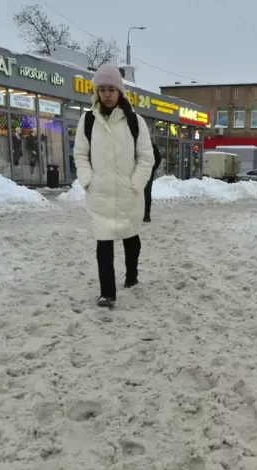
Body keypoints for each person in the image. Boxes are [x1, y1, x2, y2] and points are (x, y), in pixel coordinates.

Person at [73, 64, 155, 307]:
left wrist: (136, 184)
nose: (107, 94)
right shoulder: (87, 121)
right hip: (100, 195)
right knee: (103, 242)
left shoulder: (134, 121)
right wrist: (88, 180)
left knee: (131, 237)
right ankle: (107, 292)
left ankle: (131, 275)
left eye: (112, 89)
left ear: (120, 91)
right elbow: (80, 154)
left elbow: (145, 157)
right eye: (102, 89)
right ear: (96, 92)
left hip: (128, 194)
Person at [144, 142, 161, 223]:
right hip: (139, 173)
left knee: (146, 193)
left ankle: (146, 214)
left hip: (148, 174)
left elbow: (158, 159)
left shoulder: (152, 146)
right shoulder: (137, 145)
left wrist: (152, 169)